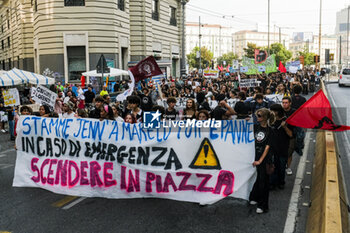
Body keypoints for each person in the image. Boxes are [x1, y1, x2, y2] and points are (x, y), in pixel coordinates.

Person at [249, 108, 275, 214]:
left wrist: (260, 161)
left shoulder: (271, 131)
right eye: (256, 115)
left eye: (259, 116)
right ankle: (254, 197)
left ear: (264, 117)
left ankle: (263, 205)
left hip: (264, 159)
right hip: (254, 156)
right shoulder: (255, 127)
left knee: (263, 182)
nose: (257, 117)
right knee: (258, 178)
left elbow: (267, 147)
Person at [270, 104, 293, 190]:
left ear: (277, 112)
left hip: (283, 148)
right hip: (272, 148)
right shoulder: (271, 120)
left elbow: (290, 134)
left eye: (273, 111)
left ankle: (281, 182)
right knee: (272, 167)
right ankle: (272, 183)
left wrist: (285, 127)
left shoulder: (286, 121)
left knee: (282, 167)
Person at [282, 96, 296, 175]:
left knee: (289, 153)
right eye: (283, 103)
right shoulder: (280, 111)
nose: (284, 104)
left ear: (290, 103)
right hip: (281, 136)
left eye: (286, 103)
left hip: (291, 135)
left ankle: (288, 167)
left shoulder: (294, 112)